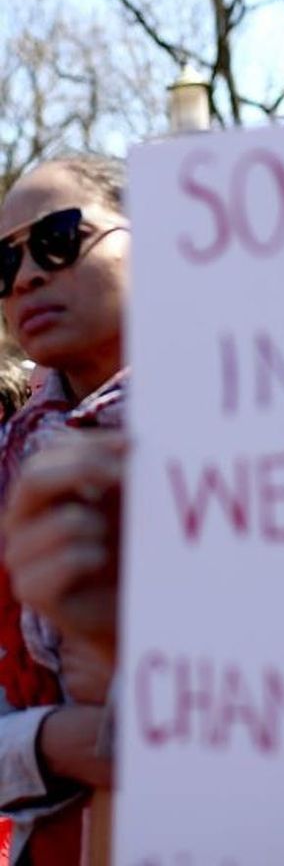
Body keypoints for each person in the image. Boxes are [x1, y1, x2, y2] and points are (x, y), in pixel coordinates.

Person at [0, 154, 128, 865]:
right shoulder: (6, 466)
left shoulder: (258, 433)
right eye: (2, 264)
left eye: (58, 237)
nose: (25, 279)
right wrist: (49, 742)